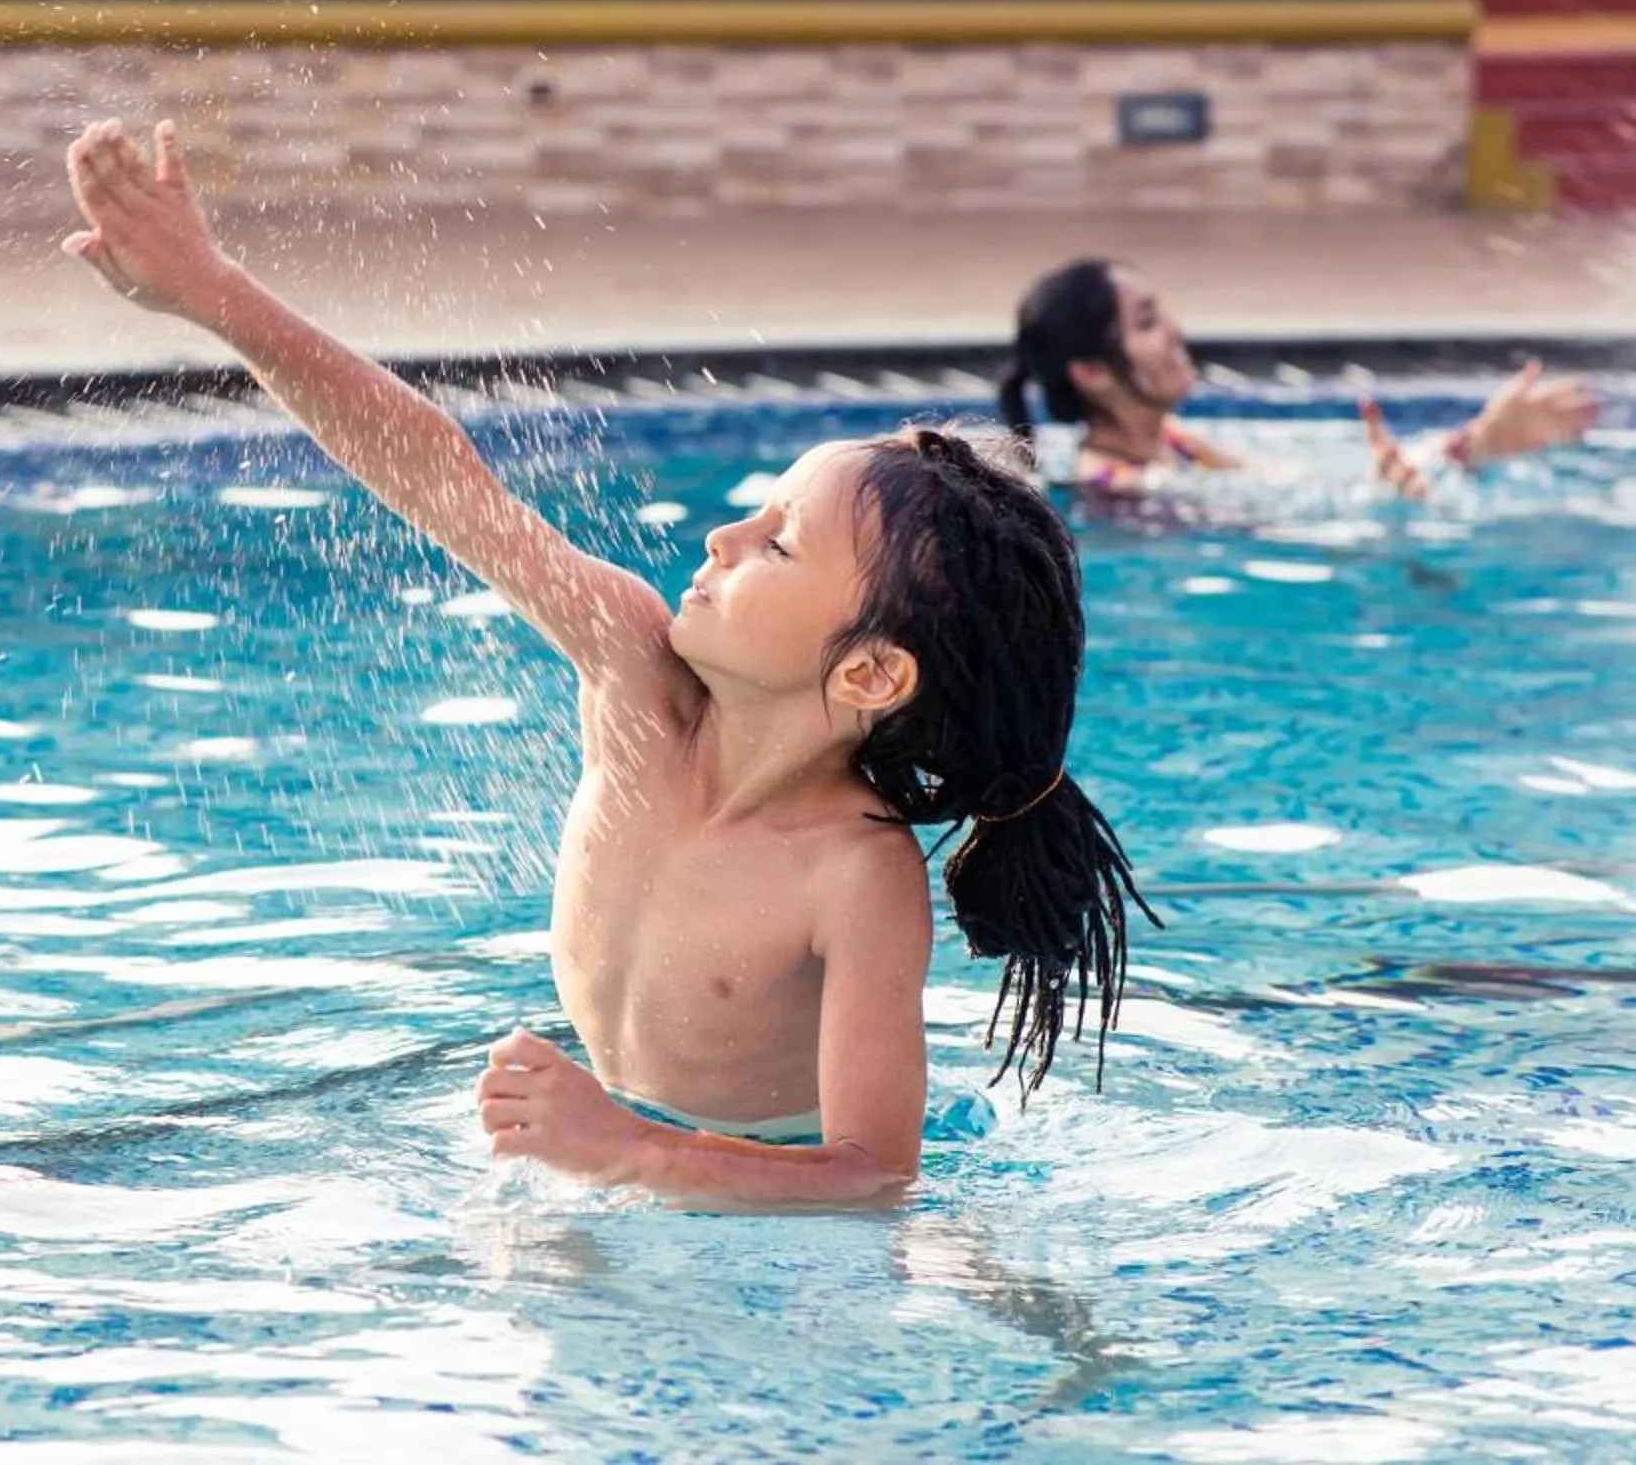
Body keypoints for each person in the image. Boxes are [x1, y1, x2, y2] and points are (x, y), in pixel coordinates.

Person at [62, 121, 1149, 1211]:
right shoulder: (634, 673)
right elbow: (445, 479)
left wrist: (625, 1145)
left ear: (869, 675)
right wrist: (209, 289)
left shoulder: (854, 876)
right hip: (607, 1154)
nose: (723, 539)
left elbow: (874, 1175)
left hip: (764, 1221)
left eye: (776, 542)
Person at [998, 259, 1601, 498]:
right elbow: (1285, 511)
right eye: (1147, 322)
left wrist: (1471, 444)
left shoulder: (1177, 443)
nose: (1175, 331)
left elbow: (1303, 483)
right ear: (1092, 371)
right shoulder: (1115, 486)